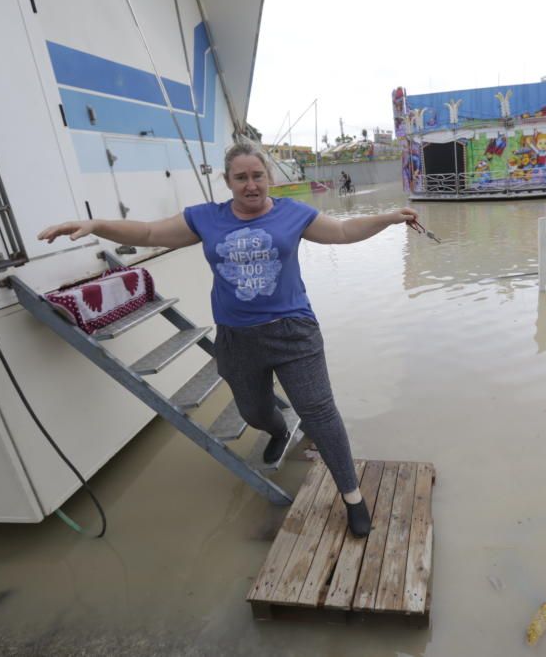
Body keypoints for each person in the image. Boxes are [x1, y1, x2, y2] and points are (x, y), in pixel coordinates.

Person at [37, 142, 419, 537]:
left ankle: (352, 497)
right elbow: (150, 232)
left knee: (320, 412)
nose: (251, 185)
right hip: (237, 338)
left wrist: (388, 218)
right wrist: (97, 226)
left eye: (258, 176)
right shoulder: (206, 219)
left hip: (293, 331)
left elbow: (341, 231)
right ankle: (277, 430)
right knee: (253, 412)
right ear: (228, 181)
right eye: (242, 177)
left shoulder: (293, 214)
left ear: (268, 178)